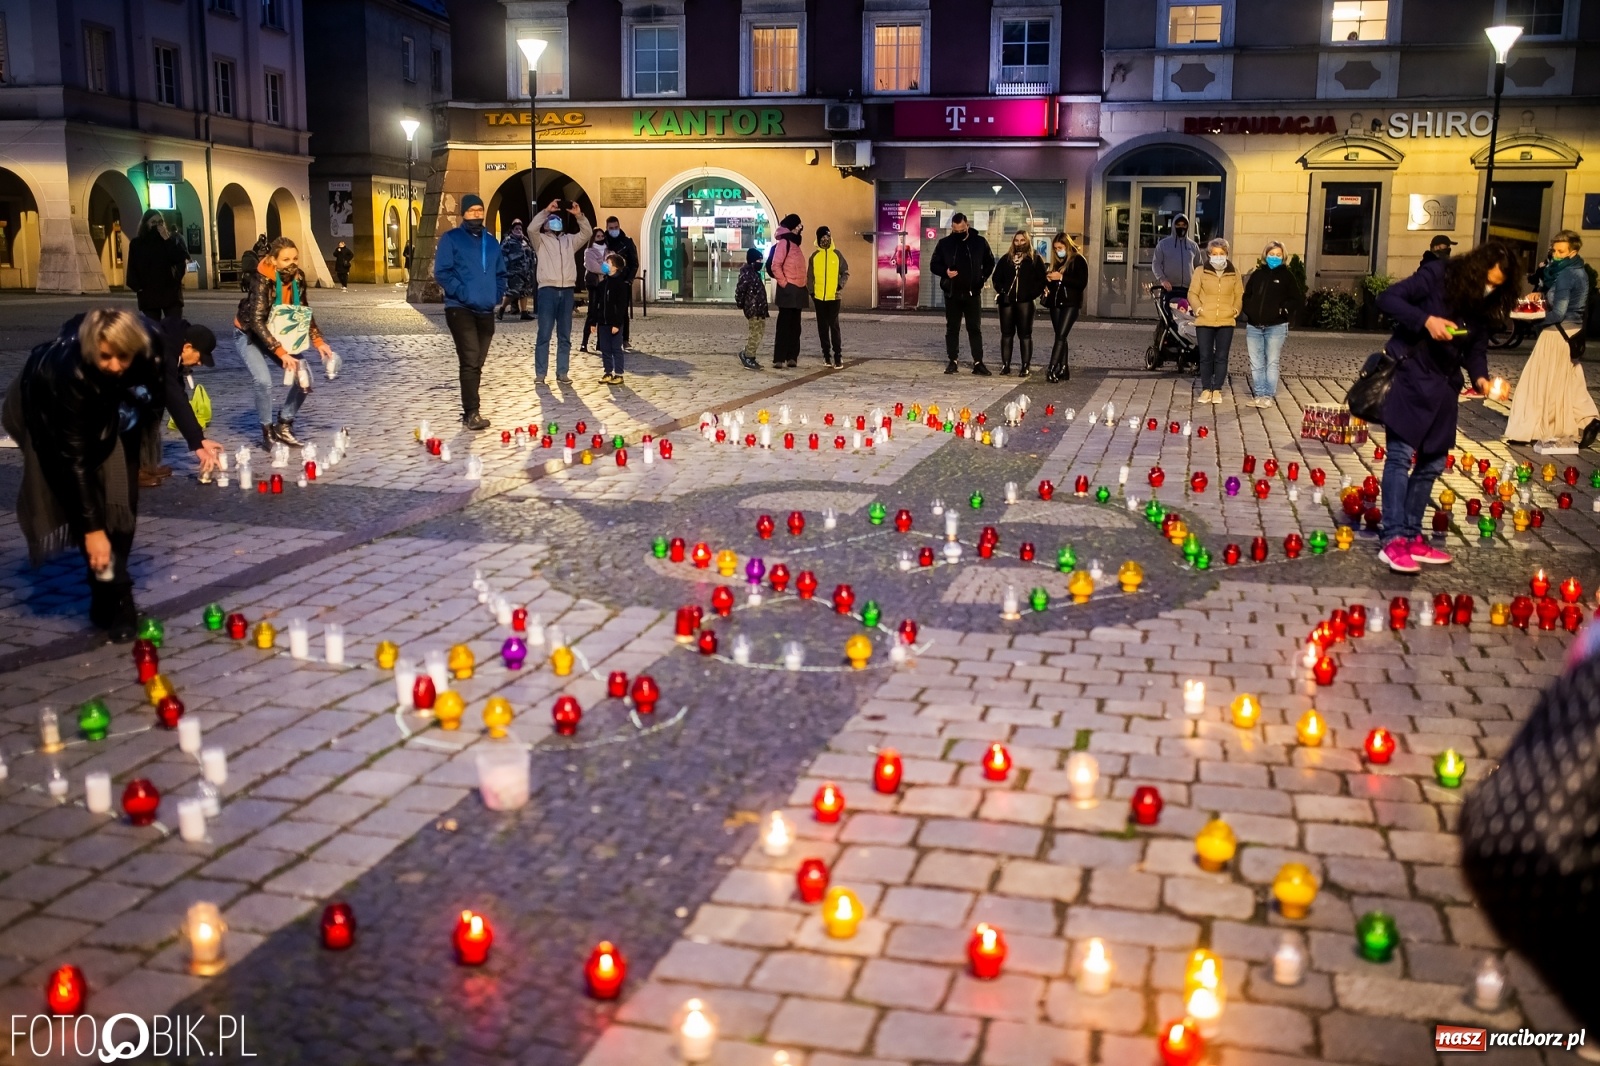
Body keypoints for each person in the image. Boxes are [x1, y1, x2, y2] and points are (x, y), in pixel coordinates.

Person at [1, 310, 163, 640]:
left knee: (122, 507)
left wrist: (195, 439)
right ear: (91, 349)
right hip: (47, 413)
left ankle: (107, 592)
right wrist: (91, 532)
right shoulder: (67, 372)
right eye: (106, 357)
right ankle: (118, 598)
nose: (116, 364)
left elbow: (164, 390)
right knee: (83, 509)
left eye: (124, 357)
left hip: (119, 412)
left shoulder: (150, 348)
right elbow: (74, 463)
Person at [1373, 241, 1516, 574]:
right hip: (1409, 375)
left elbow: (1476, 350)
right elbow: (1388, 299)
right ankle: (1393, 539)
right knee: (1399, 456)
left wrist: (1482, 380)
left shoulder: (1483, 305)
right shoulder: (1437, 274)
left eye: (1496, 285)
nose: (1489, 287)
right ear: (1476, 267)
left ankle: (1411, 534)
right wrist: (1425, 320)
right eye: (1488, 279)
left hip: (1443, 388)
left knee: (1433, 463)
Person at [236, 237, 337, 447]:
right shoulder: (261, 279)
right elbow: (256, 320)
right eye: (285, 259)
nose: (292, 263)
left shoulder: (298, 279)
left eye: (295, 258)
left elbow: (304, 312)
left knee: (305, 379)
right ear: (273, 260)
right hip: (249, 334)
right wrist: (282, 354)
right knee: (263, 381)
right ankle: (267, 432)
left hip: (279, 334)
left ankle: (284, 424)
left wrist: (319, 341)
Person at [1504, 230, 1600, 448]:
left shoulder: (1567, 275)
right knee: (1568, 384)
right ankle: (1590, 420)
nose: (1555, 254)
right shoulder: (1577, 271)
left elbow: (1558, 312)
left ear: (1573, 251)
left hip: (1557, 334)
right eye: (1554, 250)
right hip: (1571, 333)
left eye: (1561, 251)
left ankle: (1527, 430)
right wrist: (1542, 295)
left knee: (1535, 383)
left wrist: (1531, 319)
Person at [434, 193, 507, 431]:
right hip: (460, 308)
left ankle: (470, 410)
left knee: (477, 362)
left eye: (480, 209)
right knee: (469, 358)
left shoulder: (491, 241)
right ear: (463, 213)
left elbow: (501, 273)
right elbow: (442, 272)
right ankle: (471, 412)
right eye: (472, 210)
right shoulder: (452, 239)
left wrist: (496, 294)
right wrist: (462, 293)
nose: (477, 213)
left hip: (486, 309)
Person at [140, 319, 224, 487]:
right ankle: (133, 468)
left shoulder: (174, 347)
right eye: (200, 358)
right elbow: (174, 397)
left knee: (155, 405)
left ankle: (146, 465)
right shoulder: (164, 351)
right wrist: (198, 446)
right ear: (187, 347)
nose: (199, 364)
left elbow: (178, 394)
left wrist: (198, 439)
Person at [530, 198, 593, 384]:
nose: (555, 222)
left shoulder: (569, 241)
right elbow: (531, 229)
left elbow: (587, 232)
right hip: (548, 290)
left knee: (564, 335)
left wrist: (579, 216)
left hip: (566, 291)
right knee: (544, 334)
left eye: (558, 220)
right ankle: (541, 374)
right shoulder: (540, 240)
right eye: (552, 220)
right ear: (547, 225)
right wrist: (545, 211)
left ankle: (562, 372)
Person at [1240, 241, 1305, 408]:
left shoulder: (1287, 276)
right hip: (1254, 326)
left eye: (1278, 255)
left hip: (1276, 327)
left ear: (1283, 257)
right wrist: (1250, 310)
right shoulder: (1257, 275)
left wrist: (1283, 310)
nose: (1274, 257)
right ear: (1265, 255)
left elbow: (1297, 299)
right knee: (1256, 362)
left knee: (1271, 362)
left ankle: (1268, 395)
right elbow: (1247, 295)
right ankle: (1259, 394)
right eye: (1271, 254)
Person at [930, 213, 995, 375]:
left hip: (972, 293)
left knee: (974, 328)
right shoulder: (944, 243)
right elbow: (934, 264)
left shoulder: (979, 242)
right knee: (952, 328)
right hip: (952, 293)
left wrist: (982, 277)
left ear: (967, 225)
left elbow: (990, 261)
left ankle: (978, 362)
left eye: (961, 230)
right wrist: (945, 272)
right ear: (952, 227)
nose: (958, 233)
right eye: (955, 230)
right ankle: (953, 360)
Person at [1190, 238, 1244, 404]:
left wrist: (1235, 310)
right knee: (1205, 356)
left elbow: (1239, 294)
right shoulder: (1201, 271)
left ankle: (1217, 389)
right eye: (1214, 254)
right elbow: (1192, 293)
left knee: (1221, 356)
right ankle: (1206, 389)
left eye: (1221, 254)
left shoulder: (1234, 272)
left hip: (1226, 321)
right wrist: (1199, 309)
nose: (1218, 256)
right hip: (1205, 320)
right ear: (1209, 255)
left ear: (1226, 254)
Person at [991, 230, 1046, 377]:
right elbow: (996, 278)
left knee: (1025, 335)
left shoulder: (1035, 259)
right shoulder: (1006, 259)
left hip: (1026, 303)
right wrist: (1002, 291)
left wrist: (1029, 294)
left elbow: (1041, 280)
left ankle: (1025, 366)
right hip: (1007, 303)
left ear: (1027, 241)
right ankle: (1006, 365)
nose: (1019, 243)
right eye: (1016, 240)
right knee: (1006, 334)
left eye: (1022, 240)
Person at [126, 211, 188, 321]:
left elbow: (179, 258)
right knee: (153, 329)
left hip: (170, 292)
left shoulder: (171, 240)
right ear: (146, 224)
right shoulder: (137, 243)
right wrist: (137, 287)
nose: (157, 225)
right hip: (149, 293)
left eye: (160, 222)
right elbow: (132, 267)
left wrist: (167, 239)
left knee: (174, 327)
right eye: (153, 222)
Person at [1043, 233, 1087, 383]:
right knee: (1060, 336)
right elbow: (1054, 284)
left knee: (1061, 335)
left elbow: (1081, 283)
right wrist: (1049, 280)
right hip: (1056, 303)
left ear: (1067, 246)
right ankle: (1063, 368)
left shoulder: (1078, 260)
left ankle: (1051, 368)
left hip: (1070, 304)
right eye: (1055, 249)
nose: (1057, 251)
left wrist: (1062, 277)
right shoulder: (1057, 262)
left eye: (1060, 248)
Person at [767, 214, 808, 368]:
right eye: (798, 225)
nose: (800, 228)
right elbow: (775, 265)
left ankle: (792, 357)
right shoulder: (784, 242)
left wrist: (802, 283)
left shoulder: (795, 243)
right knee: (784, 325)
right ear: (792, 226)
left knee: (795, 326)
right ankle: (779, 358)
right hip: (789, 289)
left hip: (798, 289)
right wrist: (785, 284)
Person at [807, 226, 849, 368]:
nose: (825, 240)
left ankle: (838, 356)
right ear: (818, 240)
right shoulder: (814, 257)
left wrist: (839, 286)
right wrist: (812, 292)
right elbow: (810, 276)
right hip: (819, 298)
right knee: (822, 328)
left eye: (827, 238)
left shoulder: (837, 255)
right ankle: (826, 355)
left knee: (834, 326)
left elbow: (845, 272)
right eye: (823, 238)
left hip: (834, 297)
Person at [593, 252, 631, 386]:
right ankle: (608, 371)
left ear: (615, 267)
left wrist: (617, 323)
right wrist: (593, 321)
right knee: (605, 348)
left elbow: (621, 307)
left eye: (607, 263)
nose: (605, 265)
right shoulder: (603, 284)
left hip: (614, 323)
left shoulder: (621, 284)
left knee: (616, 348)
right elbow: (596, 304)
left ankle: (619, 374)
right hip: (603, 322)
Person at [603, 217, 639, 350]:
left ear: (619, 226)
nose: (614, 230)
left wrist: (628, 280)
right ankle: (606, 339)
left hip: (622, 281)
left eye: (615, 227)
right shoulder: (603, 242)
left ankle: (624, 338)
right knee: (606, 310)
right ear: (607, 228)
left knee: (622, 311)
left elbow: (634, 263)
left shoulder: (627, 242)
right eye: (611, 228)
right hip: (607, 281)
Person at [1152, 214, 1202, 299]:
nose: (1181, 227)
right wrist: (1163, 280)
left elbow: (1199, 267)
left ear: (1187, 226)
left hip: (1189, 289)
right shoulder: (1163, 244)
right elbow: (1156, 264)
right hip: (1169, 288)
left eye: (1183, 225)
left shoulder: (1193, 246)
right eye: (1178, 225)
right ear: (1173, 226)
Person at [735, 247, 768, 372]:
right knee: (755, 333)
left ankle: (750, 355)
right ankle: (748, 356)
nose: (761, 262)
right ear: (753, 261)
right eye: (759, 260)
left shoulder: (755, 274)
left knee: (759, 333)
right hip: (753, 309)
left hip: (759, 309)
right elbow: (740, 291)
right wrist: (741, 304)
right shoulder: (747, 274)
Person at [498, 221, 534, 322]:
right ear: (512, 230)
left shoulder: (525, 241)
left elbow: (530, 253)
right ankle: (501, 309)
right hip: (513, 272)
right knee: (511, 292)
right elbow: (502, 255)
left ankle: (524, 312)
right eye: (516, 229)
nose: (518, 231)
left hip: (525, 271)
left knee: (524, 292)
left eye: (520, 229)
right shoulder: (508, 241)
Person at [580, 228, 609, 352]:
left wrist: (603, 266)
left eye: (602, 236)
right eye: (598, 236)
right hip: (594, 285)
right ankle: (584, 342)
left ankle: (600, 343)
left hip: (605, 284)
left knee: (603, 313)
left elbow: (612, 264)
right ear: (593, 238)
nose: (600, 238)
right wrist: (606, 268)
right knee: (592, 313)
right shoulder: (589, 251)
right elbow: (593, 266)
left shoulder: (609, 250)